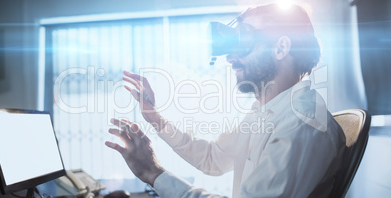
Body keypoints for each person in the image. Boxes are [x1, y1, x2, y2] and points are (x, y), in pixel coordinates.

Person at [105, 3, 346, 198]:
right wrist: (155, 118)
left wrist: (153, 173)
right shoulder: (266, 114)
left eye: (243, 40)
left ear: (281, 47)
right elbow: (213, 158)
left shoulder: (302, 125)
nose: (230, 56)